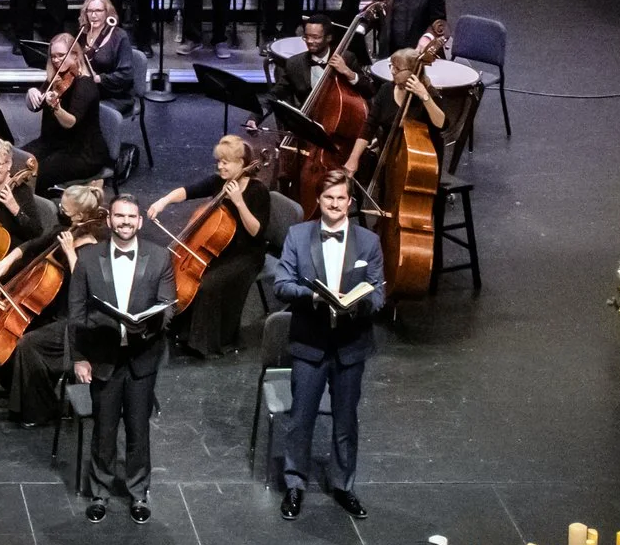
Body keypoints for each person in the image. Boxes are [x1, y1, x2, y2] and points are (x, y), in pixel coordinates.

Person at [0, 187, 172, 526]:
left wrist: (144, 327)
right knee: (103, 430)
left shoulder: (159, 257)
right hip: (102, 356)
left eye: (131, 217)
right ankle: (100, 493)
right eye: (119, 216)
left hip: (142, 357)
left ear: (139, 221)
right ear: (109, 219)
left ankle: (138, 493)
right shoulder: (89, 258)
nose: (125, 222)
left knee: (138, 431)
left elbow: (168, 306)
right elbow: (76, 315)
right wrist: (79, 358)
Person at [269, 170, 384, 520]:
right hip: (310, 342)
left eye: (341, 199)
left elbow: (379, 294)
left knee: (346, 420)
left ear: (350, 203)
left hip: (351, 344)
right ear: (318, 201)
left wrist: (360, 302)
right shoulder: (298, 235)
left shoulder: (368, 242)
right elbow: (281, 284)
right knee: (300, 418)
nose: (334, 204)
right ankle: (294, 485)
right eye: (327, 198)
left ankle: (343, 485)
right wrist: (316, 298)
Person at [147, 134, 268, 359]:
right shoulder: (219, 182)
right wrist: (163, 201)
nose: (220, 166)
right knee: (181, 275)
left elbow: (257, 231)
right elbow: (187, 191)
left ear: (241, 163)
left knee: (207, 285)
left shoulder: (257, 191)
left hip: (246, 254)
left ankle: (209, 343)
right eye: (219, 161)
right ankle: (183, 332)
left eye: (225, 162)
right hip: (218, 249)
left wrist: (239, 202)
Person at [349, 47, 447, 184]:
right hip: (389, 160)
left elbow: (442, 124)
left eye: (397, 69)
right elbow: (369, 126)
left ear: (413, 71)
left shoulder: (429, 94)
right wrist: (353, 159)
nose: (392, 71)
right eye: (391, 66)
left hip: (421, 167)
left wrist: (425, 97)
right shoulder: (386, 90)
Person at [23, 32, 106, 189]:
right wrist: (31, 93)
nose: (56, 60)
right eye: (53, 56)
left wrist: (56, 107)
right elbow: (35, 107)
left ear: (75, 56)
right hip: (52, 143)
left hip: (83, 152)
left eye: (61, 55)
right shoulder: (56, 78)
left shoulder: (85, 85)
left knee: (36, 175)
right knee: (18, 162)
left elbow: (71, 122)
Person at [76, 0, 137, 109]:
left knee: (80, 110)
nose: (94, 15)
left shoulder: (119, 36)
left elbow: (126, 75)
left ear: (107, 12)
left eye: (98, 11)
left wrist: (98, 78)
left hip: (115, 94)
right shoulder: (81, 34)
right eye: (90, 11)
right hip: (88, 90)